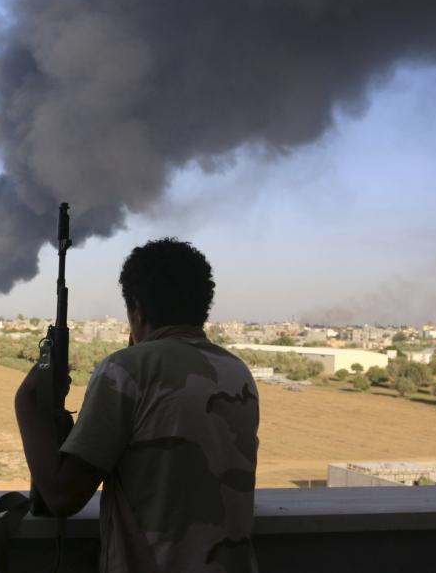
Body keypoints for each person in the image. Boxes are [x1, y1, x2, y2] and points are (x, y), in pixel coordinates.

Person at [15, 238, 259, 572]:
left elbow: (61, 496)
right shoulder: (237, 372)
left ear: (137, 309)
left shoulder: (126, 370)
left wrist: (27, 403)